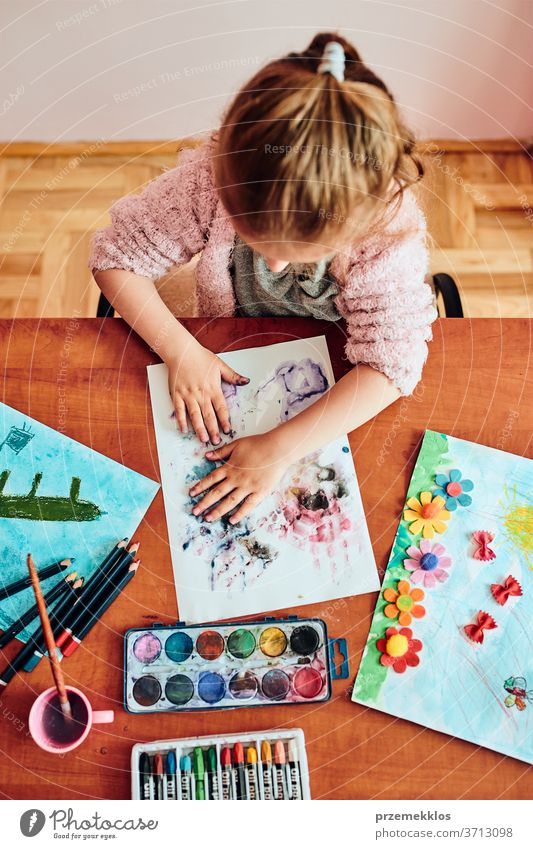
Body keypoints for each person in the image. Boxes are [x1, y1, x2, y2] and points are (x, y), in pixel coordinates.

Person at [90, 32, 436, 525]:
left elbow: (393, 362)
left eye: (295, 253)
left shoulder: (384, 225)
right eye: (257, 241)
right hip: (230, 339)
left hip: (342, 364)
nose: (272, 267)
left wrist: (280, 448)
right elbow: (115, 257)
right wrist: (182, 352)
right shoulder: (214, 176)